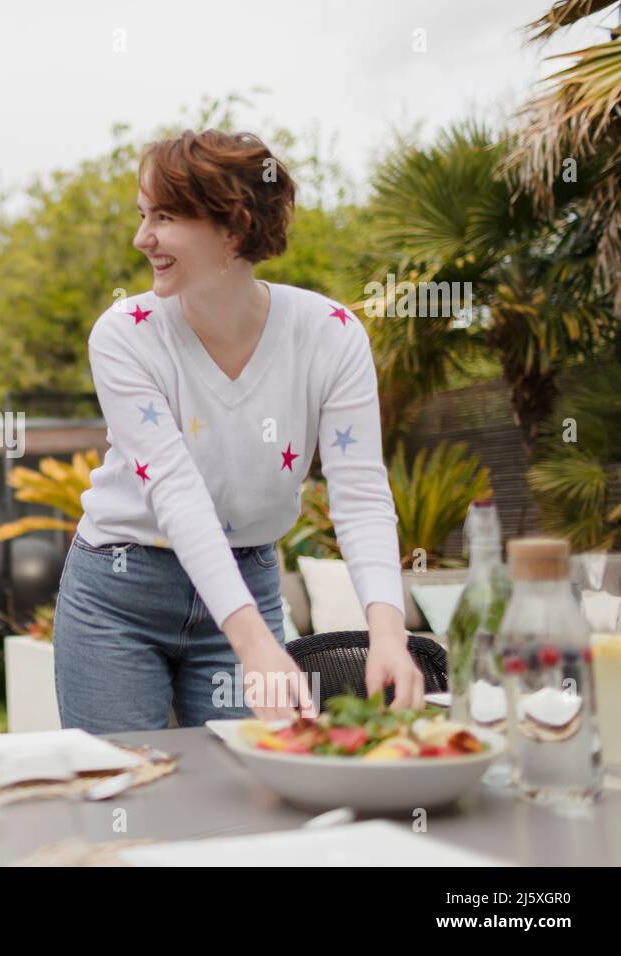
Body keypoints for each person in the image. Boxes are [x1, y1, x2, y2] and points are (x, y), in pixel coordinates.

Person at [52, 128, 424, 734]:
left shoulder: (331, 335)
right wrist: (254, 644)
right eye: (144, 215)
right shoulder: (124, 335)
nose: (141, 238)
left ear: (232, 228)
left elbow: (359, 492)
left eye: (165, 217)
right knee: (123, 797)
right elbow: (175, 492)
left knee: (244, 797)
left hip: (248, 575)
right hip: (118, 595)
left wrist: (388, 632)